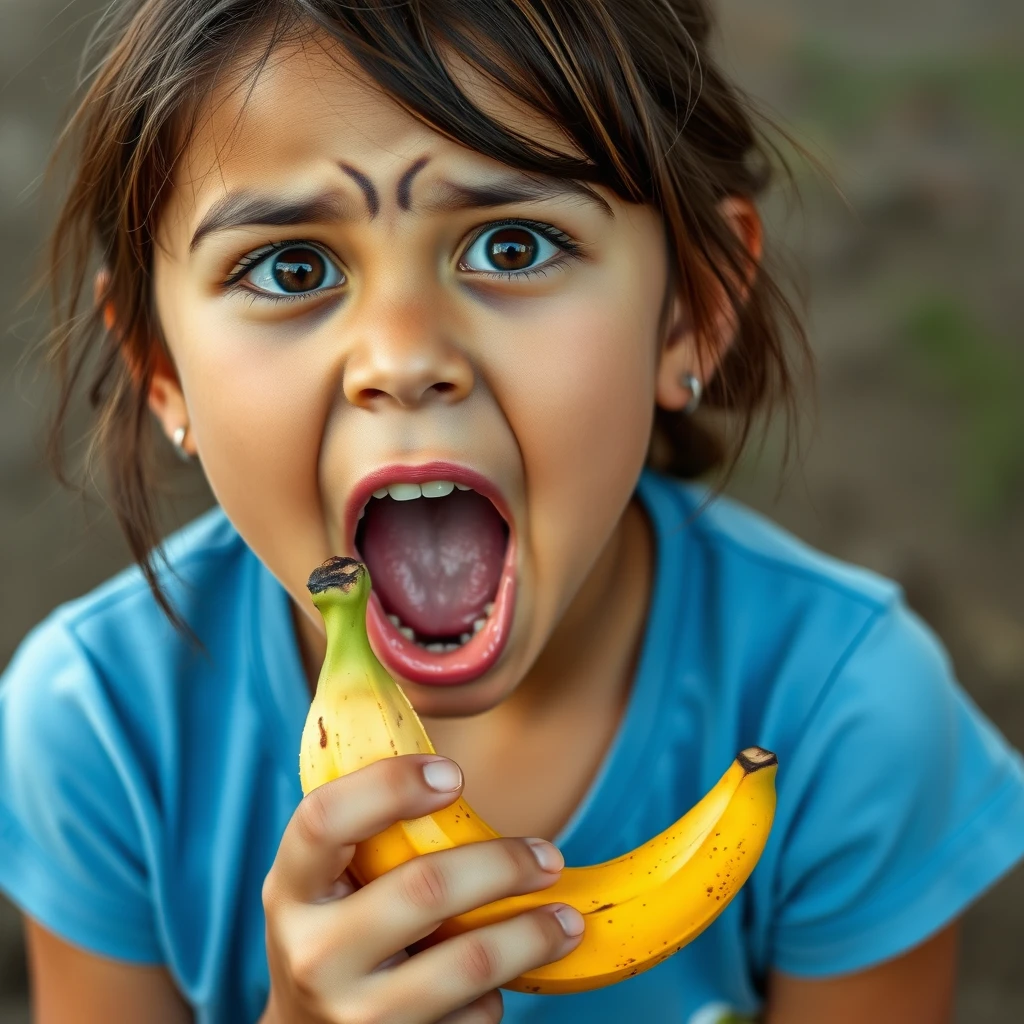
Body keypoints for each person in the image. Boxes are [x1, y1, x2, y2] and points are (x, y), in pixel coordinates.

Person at [1, 1, 1022, 1022]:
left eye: (513, 246)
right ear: (162, 368)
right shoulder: (101, 733)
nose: (403, 357)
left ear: (695, 303)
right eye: (292, 268)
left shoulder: (848, 718)